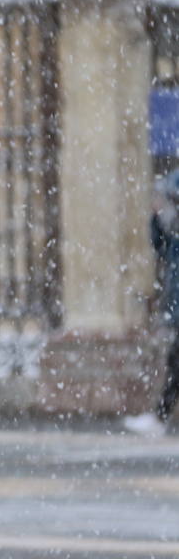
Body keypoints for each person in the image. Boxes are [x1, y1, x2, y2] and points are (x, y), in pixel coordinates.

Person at [124, 169, 179, 436]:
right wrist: (157, 218)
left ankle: (160, 416)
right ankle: (160, 416)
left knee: (176, 361)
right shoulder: (173, 227)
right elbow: (159, 244)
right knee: (175, 360)